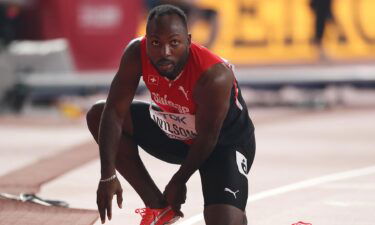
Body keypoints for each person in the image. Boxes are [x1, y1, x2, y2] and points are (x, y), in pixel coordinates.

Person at [86, 4, 255, 225]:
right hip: (176, 131)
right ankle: (158, 208)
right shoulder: (137, 52)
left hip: (222, 145)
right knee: (98, 113)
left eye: (174, 43)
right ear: (147, 40)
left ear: (188, 40)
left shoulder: (214, 75)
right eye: (156, 43)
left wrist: (178, 181)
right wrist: (107, 175)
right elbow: (114, 113)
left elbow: (207, 138)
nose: (164, 52)